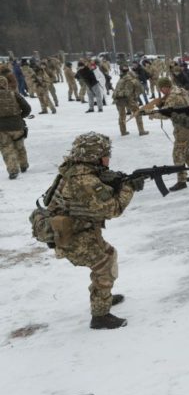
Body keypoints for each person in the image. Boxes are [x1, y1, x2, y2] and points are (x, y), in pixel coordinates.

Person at [46, 132, 143, 329]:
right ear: (94, 156)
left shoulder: (76, 169)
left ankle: (102, 296)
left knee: (108, 257)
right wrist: (129, 187)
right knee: (104, 265)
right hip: (72, 236)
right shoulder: (85, 180)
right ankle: (100, 316)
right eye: (106, 154)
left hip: (78, 229)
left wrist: (114, 181)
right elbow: (112, 209)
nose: (109, 158)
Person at [151, 77, 189, 191]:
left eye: (161, 88)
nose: (161, 91)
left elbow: (166, 114)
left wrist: (151, 114)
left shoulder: (173, 96)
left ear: (166, 87)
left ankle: (181, 181)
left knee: (177, 153)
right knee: (185, 151)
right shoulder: (181, 91)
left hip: (183, 128)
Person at [0, 76, 31, 179]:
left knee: (6, 149)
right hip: (17, 126)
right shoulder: (14, 93)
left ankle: (13, 170)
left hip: (2, 129)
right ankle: (23, 165)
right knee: (20, 146)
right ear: (5, 84)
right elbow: (27, 108)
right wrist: (19, 117)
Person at [112, 65, 149, 137]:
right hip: (129, 99)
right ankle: (141, 131)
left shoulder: (121, 80)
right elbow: (141, 90)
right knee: (137, 113)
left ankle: (123, 131)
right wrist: (135, 96)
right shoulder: (134, 80)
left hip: (118, 99)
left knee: (122, 115)